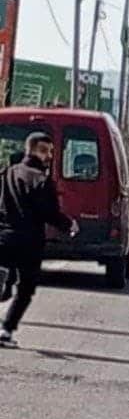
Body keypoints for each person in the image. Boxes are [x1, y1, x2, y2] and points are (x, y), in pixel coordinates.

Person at [0, 133, 78, 347]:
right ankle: (6, 330)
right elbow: (49, 214)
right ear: (32, 150)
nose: (49, 156)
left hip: (4, 238)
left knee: (3, 278)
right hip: (29, 243)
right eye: (45, 151)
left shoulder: (7, 173)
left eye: (51, 152)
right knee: (26, 289)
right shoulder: (42, 181)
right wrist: (69, 224)